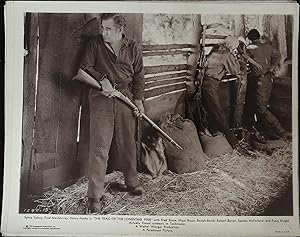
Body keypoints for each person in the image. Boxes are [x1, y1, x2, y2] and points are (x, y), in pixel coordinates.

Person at [80, 13, 145, 213]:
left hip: (125, 97)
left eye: (107, 29)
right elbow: (85, 67)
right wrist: (102, 79)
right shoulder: (95, 44)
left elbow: (139, 76)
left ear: (119, 30)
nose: (103, 32)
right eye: (102, 28)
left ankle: (131, 183)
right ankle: (94, 196)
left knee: (127, 143)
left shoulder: (133, 47)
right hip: (102, 98)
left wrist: (138, 101)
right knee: (100, 148)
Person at [246, 29, 291, 140]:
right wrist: (272, 66)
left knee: (261, 108)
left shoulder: (250, 48)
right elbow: (278, 56)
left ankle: (282, 132)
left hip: (259, 81)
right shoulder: (267, 47)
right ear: (259, 36)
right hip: (267, 78)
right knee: (261, 105)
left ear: (250, 39)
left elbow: (242, 57)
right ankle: (267, 131)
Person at [201, 36, 242, 150]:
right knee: (218, 114)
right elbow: (235, 70)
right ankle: (234, 143)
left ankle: (215, 135)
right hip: (211, 84)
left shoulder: (215, 51)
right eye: (235, 47)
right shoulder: (227, 54)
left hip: (203, 82)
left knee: (211, 111)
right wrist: (235, 56)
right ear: (233, 46)